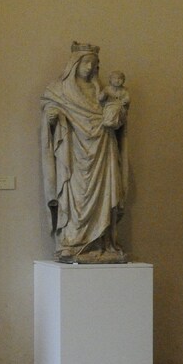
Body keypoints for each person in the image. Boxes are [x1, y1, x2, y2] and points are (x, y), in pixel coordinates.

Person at [40, 42, 128, 263]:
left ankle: (101, 242)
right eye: (86, 62)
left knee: (103, 195)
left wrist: (117, 113)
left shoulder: (102, 91)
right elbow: (50, 109)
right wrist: (51, 117)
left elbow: (117, 117)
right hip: (73, 153)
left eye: (94, 64)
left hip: (102, 150)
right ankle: (71, 241)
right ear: (75, 64)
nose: (90, 67)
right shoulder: (58, 91)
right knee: (73, 194)